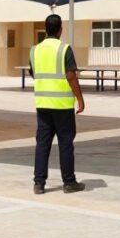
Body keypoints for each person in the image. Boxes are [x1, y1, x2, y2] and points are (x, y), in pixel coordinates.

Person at [30, 14, 85, 194]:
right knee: (65, 144)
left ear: (46, 29)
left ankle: (39, 183)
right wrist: (80, 99)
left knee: (42, 144)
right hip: (62, 106)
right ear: (60, 30)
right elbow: (71, 76)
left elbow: (34, 73)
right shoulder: (64, 49)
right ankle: (69, 182)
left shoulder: (35, 50)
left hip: (43, 104)